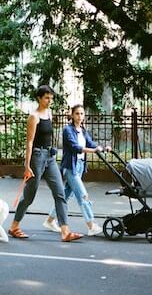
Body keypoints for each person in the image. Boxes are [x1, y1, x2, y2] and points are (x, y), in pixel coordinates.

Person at [8, 85, 83, 242]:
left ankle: (65, 231)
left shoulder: (48, 114)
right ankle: (14, 226)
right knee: (30, 195)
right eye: (47, 98)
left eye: (51, 98)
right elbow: (29, 142)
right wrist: (27, 166)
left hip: (49, 157)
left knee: (60, 193)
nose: (50, 101)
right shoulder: (34, 117)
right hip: (37, 157)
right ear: (39, 98)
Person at [43, 104, 110, 236]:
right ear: (72, 115)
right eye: (77, 114)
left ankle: (50, 220)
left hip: (79, 166)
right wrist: (93, 150)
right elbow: (75, 147)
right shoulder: (68, 130)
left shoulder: (83, 130)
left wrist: (102, 147)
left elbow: (90, 143)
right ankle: (91, 225)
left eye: (82, 114)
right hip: (70, 168)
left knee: (65, 196)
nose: (80, 116)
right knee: (83, 195)